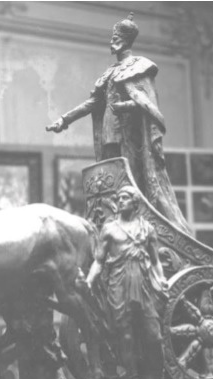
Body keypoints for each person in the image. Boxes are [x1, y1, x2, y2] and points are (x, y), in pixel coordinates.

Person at [46, 13, 190, 234]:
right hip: (108, 132)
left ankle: (136, 224)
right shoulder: (109, 73)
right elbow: (93, 103)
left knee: (131, 179)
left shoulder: (140, 67)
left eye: (115, 38)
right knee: (112, 178)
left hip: (128, 134)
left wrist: (126, 106)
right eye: (112, 38)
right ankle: (115, 221)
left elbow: (148, 104)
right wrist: (64, 120)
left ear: (125, 40)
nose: (111, 42)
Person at [86, 186, 177, 379]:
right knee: (125, 337)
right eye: (119, 198)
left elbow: (155, 261)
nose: (121, 201)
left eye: (125, 197)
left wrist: (161, 279)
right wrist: (89, 280)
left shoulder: (147, 229)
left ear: (135, 203)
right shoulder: (109, 229)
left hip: (143, 283)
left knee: (154, 336)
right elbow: (99, 261)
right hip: (119, 284)